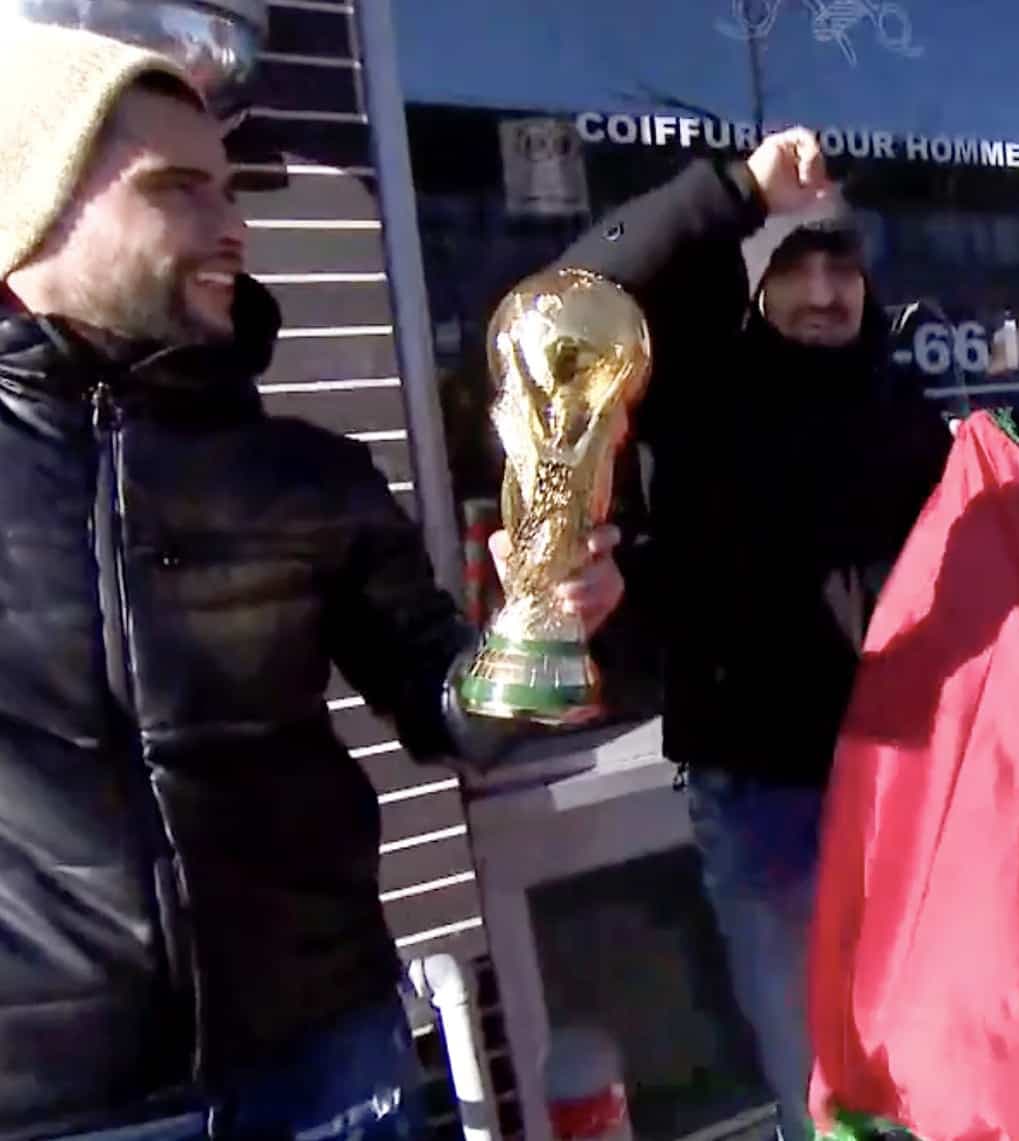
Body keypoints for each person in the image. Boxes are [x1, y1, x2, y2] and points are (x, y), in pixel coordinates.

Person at [0, 26, 623, 1139]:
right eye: (177, 188)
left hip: (328, 1068)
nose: (232, 225)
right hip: (60, 1099)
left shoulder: (308, 475)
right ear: (34, 214)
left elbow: (450, 711)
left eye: (230, 188)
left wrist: (539, 630)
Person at [556, 129, 951, 1140]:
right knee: (811, 1068)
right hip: (760, 790)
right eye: (794, 268)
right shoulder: (695, 386)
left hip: (904, 784)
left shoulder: (906, 411)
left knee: (921, 1050)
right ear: (756, 283)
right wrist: (733, 190)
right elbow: (567, 302)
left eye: (841, 267)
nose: (822, 292)